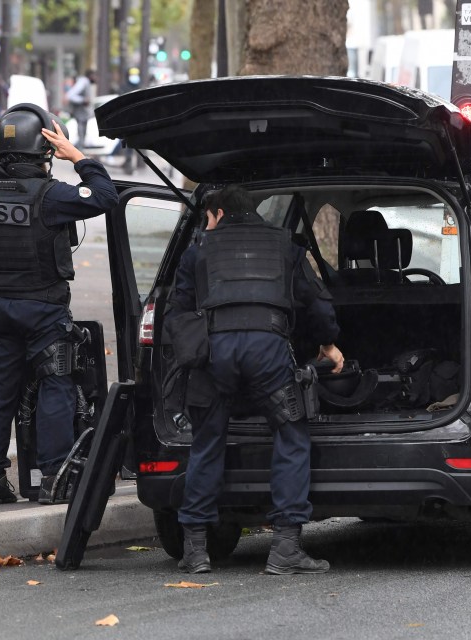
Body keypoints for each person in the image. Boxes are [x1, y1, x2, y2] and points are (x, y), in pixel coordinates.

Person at [168, 185, 345, 575]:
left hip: (214, 354)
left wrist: (194, 358)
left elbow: (176, 315)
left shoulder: (197, 254)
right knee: (291, 435)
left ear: (214, 214)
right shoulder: (287, 248)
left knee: (207, 442)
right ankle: (284, 548)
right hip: (267, 351)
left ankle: (195, 550)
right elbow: (318, 307)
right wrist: (327, 345)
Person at [0, 104, 119, 505]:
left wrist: (1, 140)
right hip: (44, 310)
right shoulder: (51, 196)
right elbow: (106, 195)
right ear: (46, 150)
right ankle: (53, 478)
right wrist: (79, 156)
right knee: (57, 387)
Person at [65, 69, 95, 147]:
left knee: (83, 129)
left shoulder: (85, 82)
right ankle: (80, 146)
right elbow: (70, 95)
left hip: (82, 112)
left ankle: (81, 145)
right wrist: (82, 100)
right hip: (80, 111)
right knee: (81, 129)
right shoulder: (84, 81)